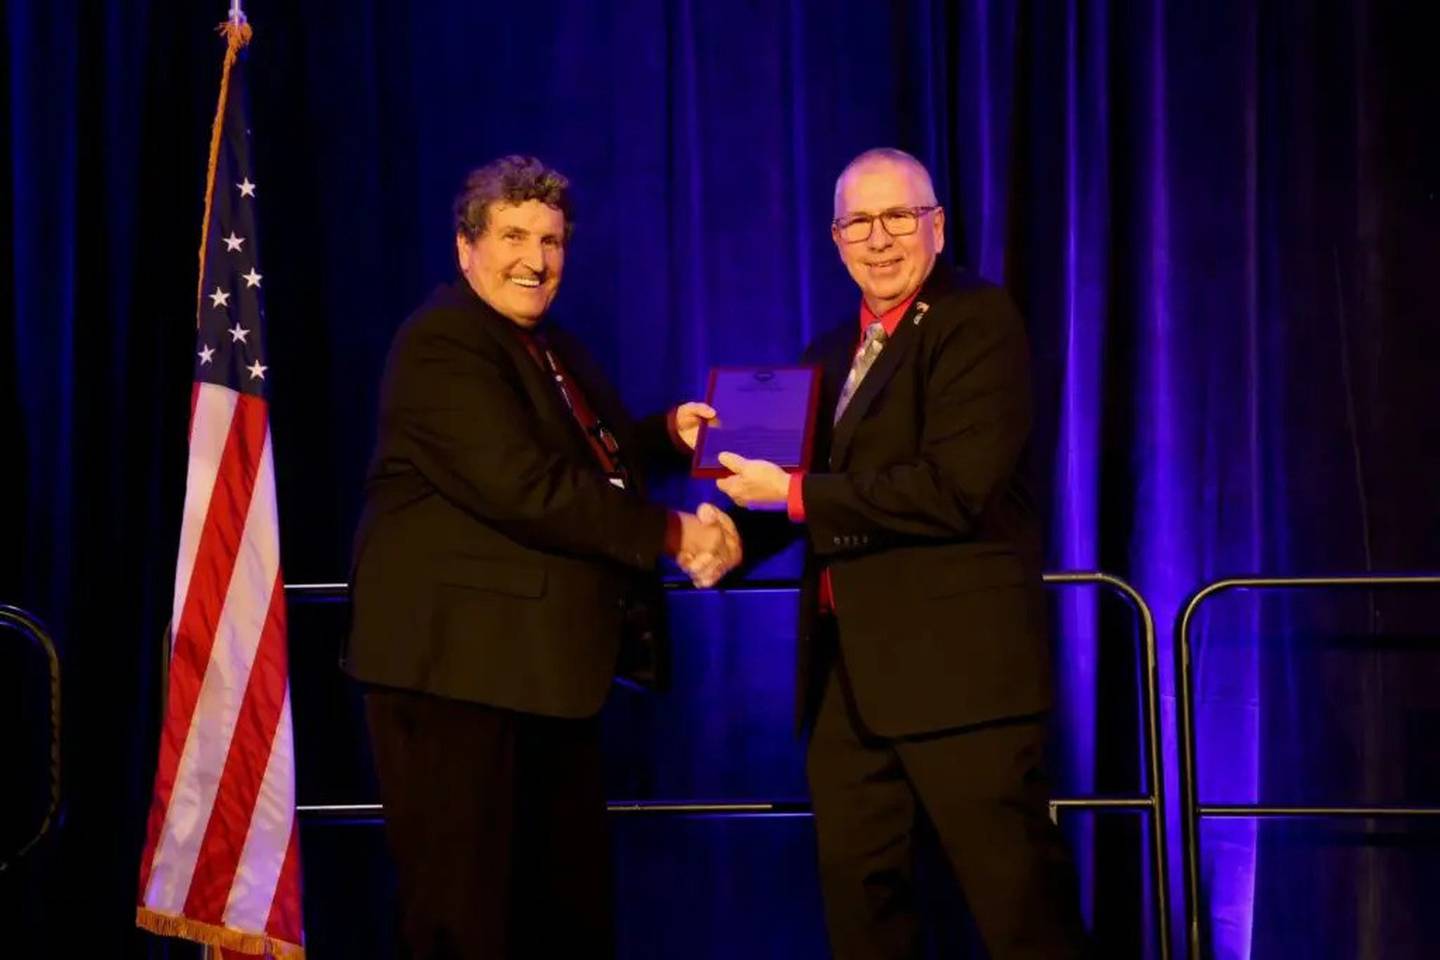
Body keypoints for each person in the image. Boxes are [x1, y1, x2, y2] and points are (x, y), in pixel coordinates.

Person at [342, 155, 740, 959]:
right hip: (454, 682)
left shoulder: (547, 346)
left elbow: (587, 453)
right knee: (467, 920)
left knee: (558, 916)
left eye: (552, 240)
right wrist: (673, 534)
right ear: (466, 247)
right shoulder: (443, 343)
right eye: (515, 236)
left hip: (535, 682)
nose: (537, 259)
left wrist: (668, 435)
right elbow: (525, 485)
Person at [715, 148, 1088, 959]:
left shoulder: (979, 322)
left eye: (899, 218)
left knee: (1021, 910)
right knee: (862, 913)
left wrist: (794, 494)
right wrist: (724, 538)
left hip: (960, 677)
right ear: (835, 237)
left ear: (937, 225)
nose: (879, 240)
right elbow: (792, 489)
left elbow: (951, 487)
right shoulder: (825, 350)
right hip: (846, 681)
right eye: (859, 222)